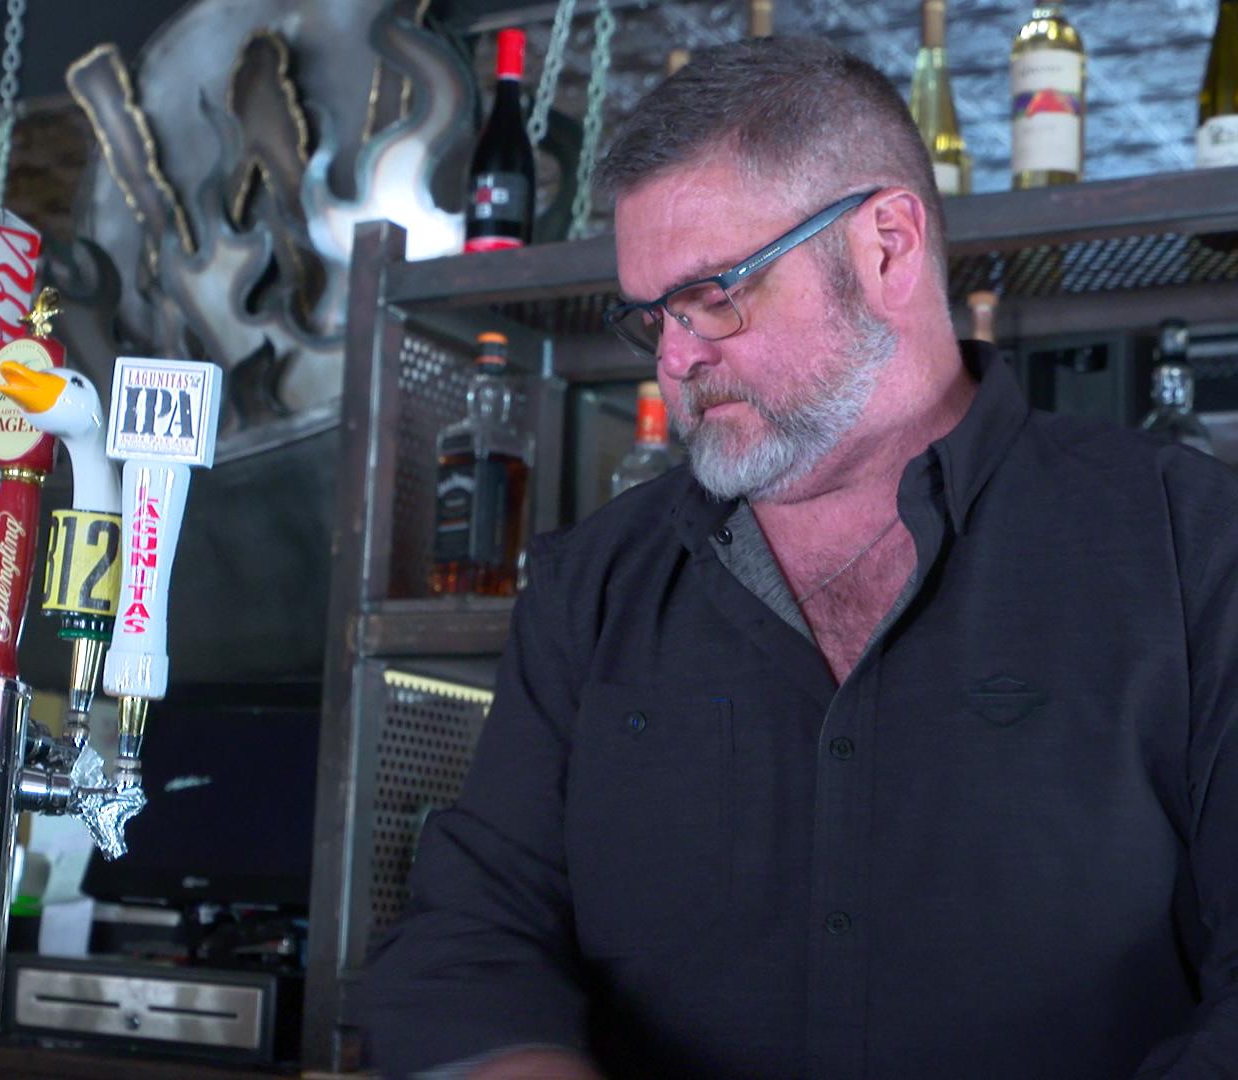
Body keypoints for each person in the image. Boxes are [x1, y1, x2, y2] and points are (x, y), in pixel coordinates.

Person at [359, 36, 1238, 1080]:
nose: (679, 358)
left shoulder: (1193, 545)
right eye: (653, 317)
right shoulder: (592, 589)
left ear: (886, 249)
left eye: (718, 294)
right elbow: (470, 939)